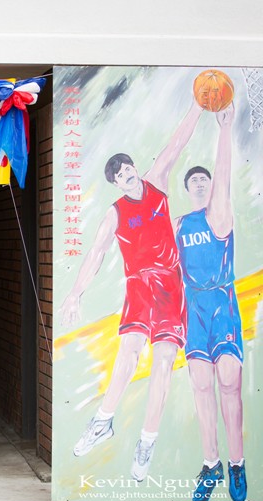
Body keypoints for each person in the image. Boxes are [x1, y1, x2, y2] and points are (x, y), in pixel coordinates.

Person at [60, 101, 204, 481]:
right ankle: (103, 421)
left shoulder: (157, 182)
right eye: (120, 176)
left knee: (164, 361)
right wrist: (75, 293)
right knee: (129, 352)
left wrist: (196, 105)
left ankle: (147, 441)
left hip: (169, 284)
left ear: (135, 168)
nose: (127, 176)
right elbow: (95, 253)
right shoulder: (115, 213)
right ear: (117, 184)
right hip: (139, 285)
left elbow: (176, 143)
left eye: (128, 169)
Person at [174, 105, 246, 501]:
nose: (201, 182)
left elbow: (224, 175)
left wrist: (224, 129)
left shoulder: (219, 214)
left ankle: (237, 463)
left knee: (229, 383)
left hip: (222, 304)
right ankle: (211, 463)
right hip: (193, 309)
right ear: (188, 189)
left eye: (205, 178)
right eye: (194, 180)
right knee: (201, 386)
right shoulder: (181, 224)